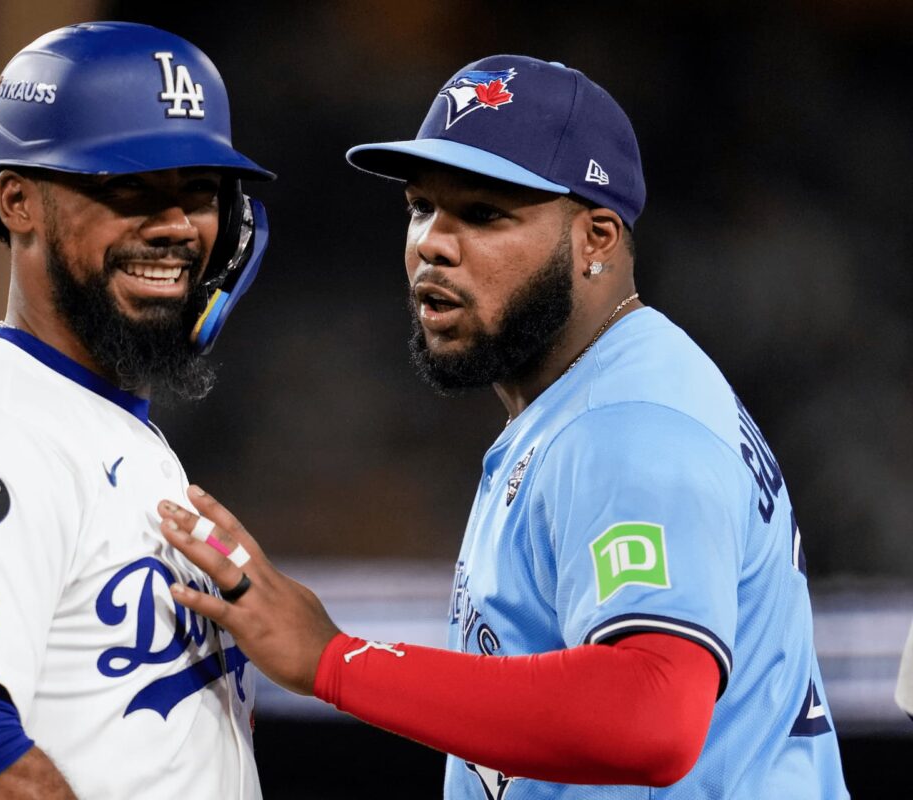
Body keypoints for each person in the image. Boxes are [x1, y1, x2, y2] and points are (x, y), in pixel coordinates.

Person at [157, 55, 851, 798]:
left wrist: (337, 660)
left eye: (485, 214)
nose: (433, 243)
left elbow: (652, 712)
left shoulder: (627, 425)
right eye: (421, 206)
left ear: (598, 239)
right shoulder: (592, 392)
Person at [0, 22, 273, 799]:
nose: (178, 225)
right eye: (129, 187)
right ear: (18, 201)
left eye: (200, 192)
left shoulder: (109, 429)